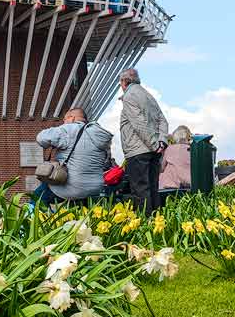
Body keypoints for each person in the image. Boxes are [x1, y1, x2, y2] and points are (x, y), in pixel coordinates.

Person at [35, 108, 113, 203]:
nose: (64, 122)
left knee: (37, 198)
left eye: (65, 119)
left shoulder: (69, 129)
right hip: (95, 188)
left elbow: (41, 138)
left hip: (70, 187)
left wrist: (59, 129)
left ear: (72, 118)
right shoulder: (100, 135)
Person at [118, 68, 168, 214]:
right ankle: (157, 222)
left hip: (138, 150)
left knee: (140, 190)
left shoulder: (129, 96)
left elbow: (138, 123)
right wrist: (161, 141)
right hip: (153, 151)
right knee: (153, 188)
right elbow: (162, 120)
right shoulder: (149, 96)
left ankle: (146, 226)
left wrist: (153, 144)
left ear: (124, 81)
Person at [159, 126, 193, 190]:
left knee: (165, 171)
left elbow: (162, 168)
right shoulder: (192, 150)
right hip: (190, 182)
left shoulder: (170, 149)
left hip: (171, 185)